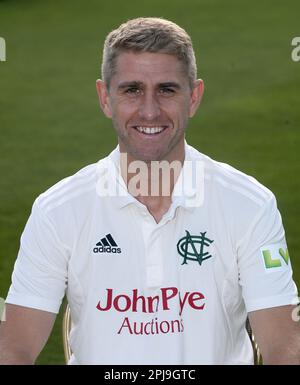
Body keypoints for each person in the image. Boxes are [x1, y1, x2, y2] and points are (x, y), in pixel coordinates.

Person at [0, 17, 299, 365]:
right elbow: (14, 346)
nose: (150, 110)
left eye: (167, 89)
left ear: (194, 97)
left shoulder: (250, 204)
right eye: (132, 89)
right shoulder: (57, 209)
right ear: (105, 98)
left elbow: (285, 344)